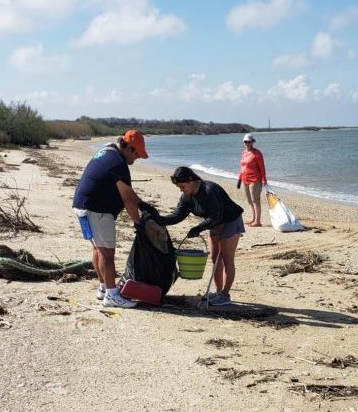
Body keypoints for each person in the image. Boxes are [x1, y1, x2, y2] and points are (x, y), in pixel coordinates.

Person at [72, 130, 149, 308]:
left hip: (81, 207)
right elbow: (128, 199)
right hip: (96, 211)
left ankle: (103, 287)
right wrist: (138, 222)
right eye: (137, 154)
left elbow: (129, 195)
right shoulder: (118, 164)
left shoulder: (106, 153)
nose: (136, 158)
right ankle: (112, 295)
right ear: (128, 147)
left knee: (98, 249)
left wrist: (142, 205)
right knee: (107, 253)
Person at [155, 167, 245, 306]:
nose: (181, 190)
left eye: (182, 186)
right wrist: (159, 220)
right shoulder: (187, 196)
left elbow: (217, 215)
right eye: (179, 187)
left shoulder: (209, 190)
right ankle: (218, 291)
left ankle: (225, 295)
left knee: (227, 258)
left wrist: (198, 228)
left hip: (230, 221)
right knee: (215, 258)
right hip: (214, 224)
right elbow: (177, 215)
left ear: (191, 180)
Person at [237, 133, 267, 227]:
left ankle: (258, 221)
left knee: (255, 200)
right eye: (245, 142)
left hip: (255, 179)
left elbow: (262, 167)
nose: (247, 143)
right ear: (243, 142)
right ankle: (253, 219)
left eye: (249, 142)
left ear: (252, 142)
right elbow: (242, 167)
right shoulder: (243, 153)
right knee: (249, 201)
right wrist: (239, 179)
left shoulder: (257, 153)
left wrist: (264, 179)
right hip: (245, 179)